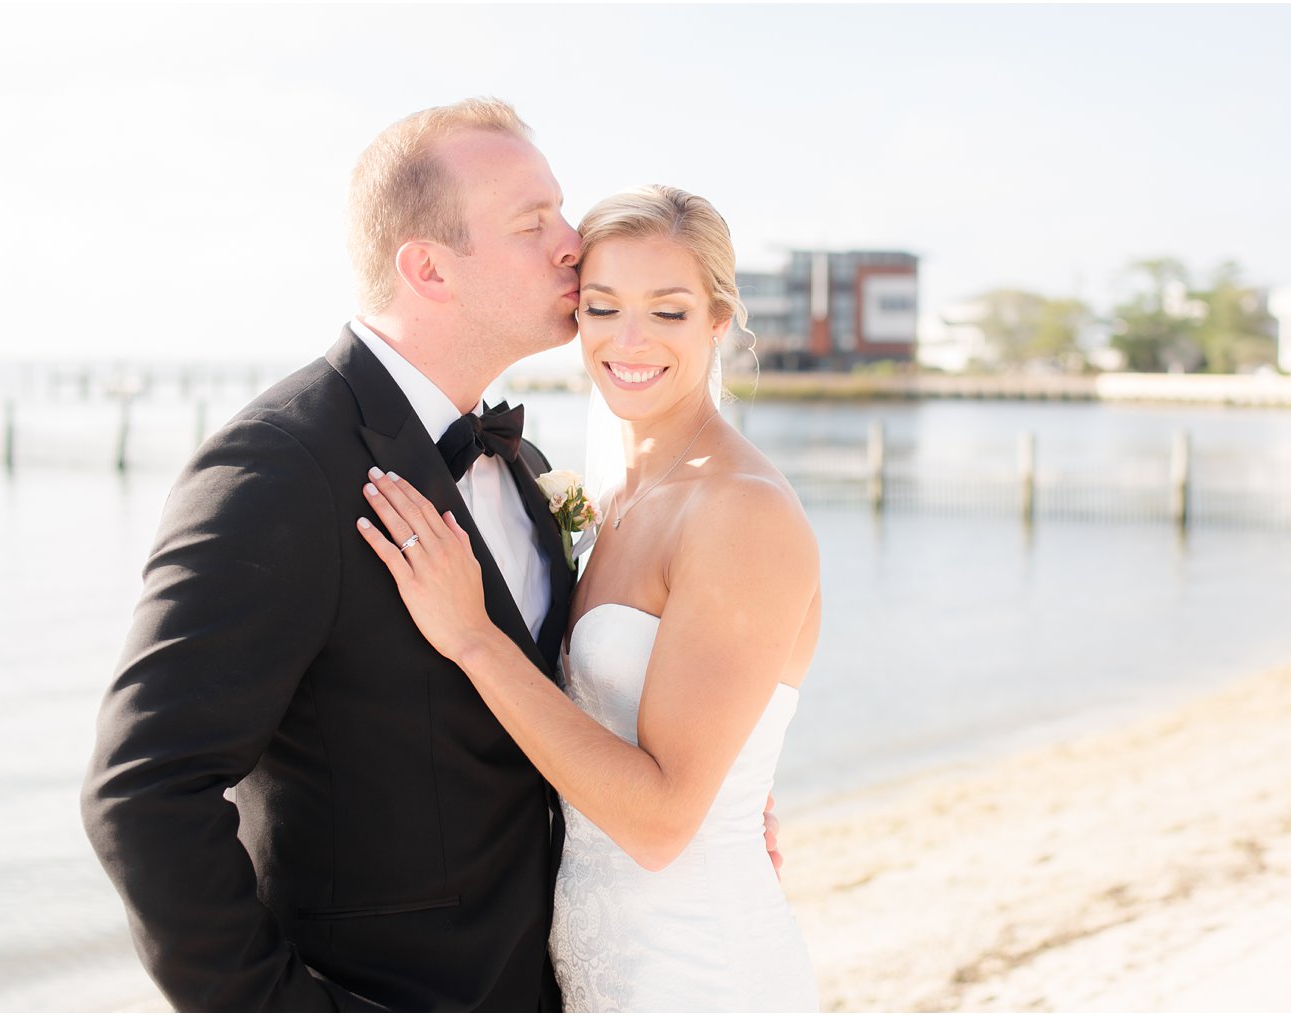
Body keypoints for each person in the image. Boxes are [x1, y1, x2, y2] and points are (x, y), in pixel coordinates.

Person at [81, 99, 776, 1011]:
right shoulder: (280, 465)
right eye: (534, 224)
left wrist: (725, 796)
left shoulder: (522, 468)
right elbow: (144, 792)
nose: (574, 244)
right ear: (428, 269)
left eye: (562, 214)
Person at [355, 184, 821, 1011]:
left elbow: (659, 822)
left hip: (699, 969)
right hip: (601, 963)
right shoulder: (620, 489)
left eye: (669, 313)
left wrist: (473, 638)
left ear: (719, 322)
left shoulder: (741, 510)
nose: (629, 341)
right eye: (603, 308)